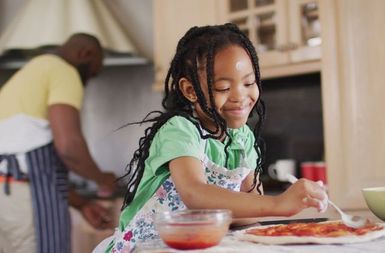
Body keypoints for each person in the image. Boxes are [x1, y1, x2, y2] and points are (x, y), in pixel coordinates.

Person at [100, 23, 328, 252]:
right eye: (223, 88)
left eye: (249, 83)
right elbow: (195, 194)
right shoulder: (180, 130)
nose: (240, 96)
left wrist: (281, 210)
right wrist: (278, 204)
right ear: (190, 91)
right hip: (141, 247)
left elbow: (248, 211)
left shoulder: (242, 137)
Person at [0, 33, 117, 253]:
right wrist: (102, 179)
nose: (88, 80)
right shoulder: (63, 71)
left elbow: (28, 166)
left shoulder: (31, 73)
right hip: (28, 202)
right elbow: (69, 147)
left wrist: (81, 203)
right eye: (92, 73)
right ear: (85, 54)